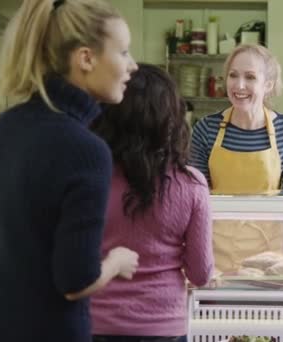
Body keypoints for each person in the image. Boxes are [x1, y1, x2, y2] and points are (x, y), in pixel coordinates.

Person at [0, 1, 139, 341]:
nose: (132, 66)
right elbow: (76, 282)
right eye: (124, 52)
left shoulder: (2, 127)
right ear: (85, 58)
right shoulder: (87, 151)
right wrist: (116, 261)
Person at [90, 64, 214, 342]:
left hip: (95, 323)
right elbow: (200, 273)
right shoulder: (191, 183)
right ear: (170, 118)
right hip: (163, 327)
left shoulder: (90, 177)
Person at [189, 43, 283, 272]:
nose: (239, 85)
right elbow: (196, 203)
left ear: (268, 84)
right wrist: (202, 263)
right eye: (233, 75)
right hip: (215, 253)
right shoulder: (206, 129)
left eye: (250, 77)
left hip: (270, 255)